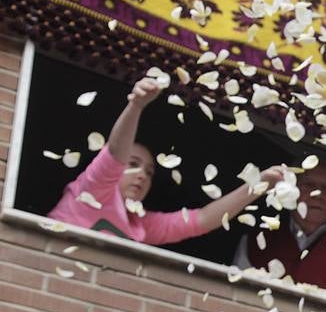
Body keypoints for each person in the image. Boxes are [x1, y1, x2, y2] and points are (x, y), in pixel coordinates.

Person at [48, 75, 283, 244]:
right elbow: (114, 153)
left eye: (149, 172)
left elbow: (202, 219)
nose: (142, 175)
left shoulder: (141, 226)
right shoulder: (90, 192)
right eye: (133, 165)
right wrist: (136, 105)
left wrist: (257, 184)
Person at [232, 162, 326, 308]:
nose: (317, 194)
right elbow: (235, 292)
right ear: (291, 190)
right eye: (308, 185)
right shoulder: (258, 236)